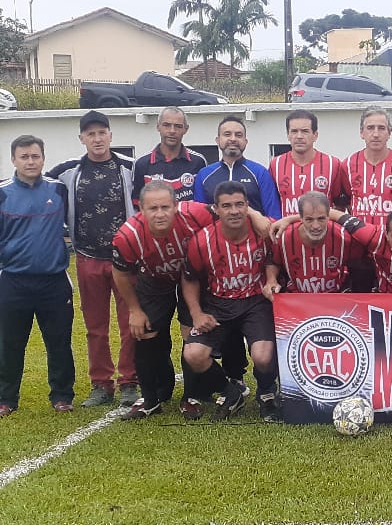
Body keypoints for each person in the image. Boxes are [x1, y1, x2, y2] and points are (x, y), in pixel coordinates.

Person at [47, 110, 139, 408]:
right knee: (95, 325)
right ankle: (101, 384)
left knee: (129, 323)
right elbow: (36, 183)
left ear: (111, 135)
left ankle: (129, 382)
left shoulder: (130, 168)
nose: (97, 139)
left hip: (124, 260)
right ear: (82, 138)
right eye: (91, 134)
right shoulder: (68, 171)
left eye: (102, 133)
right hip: (87, 257)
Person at [111, 181, 217, 420]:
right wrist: (134, 310)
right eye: (153, 208)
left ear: (176, 206)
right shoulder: (128, 235)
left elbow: (229, 214)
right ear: (141, 209)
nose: (160, 214)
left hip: (194, 277)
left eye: (165, 207)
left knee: (193, 330)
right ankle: (151, 397)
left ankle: (191, 396)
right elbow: (120, 273)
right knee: (145, 331)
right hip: (154, 278)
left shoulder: (196, 214)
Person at [181, 181, 280, 422]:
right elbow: (189, 278)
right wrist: (196, 314)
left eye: (239, 204)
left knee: (263, 356)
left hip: (255, 302)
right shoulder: (201, 241)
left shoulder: (262, 231)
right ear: (216, 209)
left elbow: (273, 257)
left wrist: (271, 279)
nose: (234, 211)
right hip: (217, 303)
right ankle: (229, 391)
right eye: (226, 206)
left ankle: (267, 394)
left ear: (248, 206)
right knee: (193, 354)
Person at [0, 135, 75, 417]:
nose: (30, 161)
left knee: (59, 343)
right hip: (13, 281)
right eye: (24, 157)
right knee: (9, 343)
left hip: (54, 281)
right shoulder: (3, 192)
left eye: (35, 156)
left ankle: (62, 396)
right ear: (13, 160)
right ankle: (6, 398)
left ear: (43, 158)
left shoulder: (58, 190)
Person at [340, 106, 392, 292]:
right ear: (362, 132)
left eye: (381, 128)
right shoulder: (347, 165)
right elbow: (344, 203)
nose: (376, 134)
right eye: (370, 128)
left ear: (389, 133)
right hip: (359, 248)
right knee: (361, 303)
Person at [264, 191, 363, 295]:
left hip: (337, 297)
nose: (316, 226)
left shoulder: (344, 237)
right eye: (309, 220)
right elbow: (273, 260)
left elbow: (361, 262)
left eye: (321, 219)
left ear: (329, 216)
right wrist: (271, 280)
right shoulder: (284, 238)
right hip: (297, 299)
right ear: (300, 218)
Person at [194, 115, 281, 218]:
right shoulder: (204, 175)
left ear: (245, 141)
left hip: (252, 233)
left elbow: (274, 216)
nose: (233, 139)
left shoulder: (260, 173)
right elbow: (199, 216)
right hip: (216, 233)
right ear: (218, 140)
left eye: (238, 135)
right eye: (227, 134)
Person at [269, 109, 347, 216]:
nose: (299, 136)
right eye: (294, 131)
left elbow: (340, 204)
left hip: (321, 231)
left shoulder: (333, 164)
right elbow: (272, 203)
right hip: (287, 231)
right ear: (288, 135)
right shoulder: (275, 165)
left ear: (315, 135)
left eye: (305, 131)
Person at [131, 107, 207, 204]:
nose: (172, 131)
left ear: (186, 129)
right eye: (166, 125)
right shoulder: (142, 164)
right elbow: (137, 205)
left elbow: (203, 204)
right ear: (158, 127)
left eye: (178, 126)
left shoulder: (198, 162)